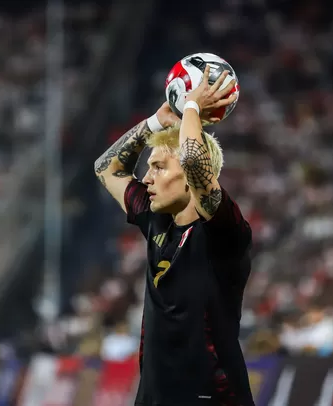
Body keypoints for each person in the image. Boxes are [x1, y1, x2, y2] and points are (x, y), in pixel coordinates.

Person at [94, 66, 254, 405]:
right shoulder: (155, 219)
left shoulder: (225, 230)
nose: (146, 178)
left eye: (159, 167)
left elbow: (195, 161)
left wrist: (193, 108)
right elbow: (106, 167)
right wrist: (156, 121)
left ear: (190, 180)